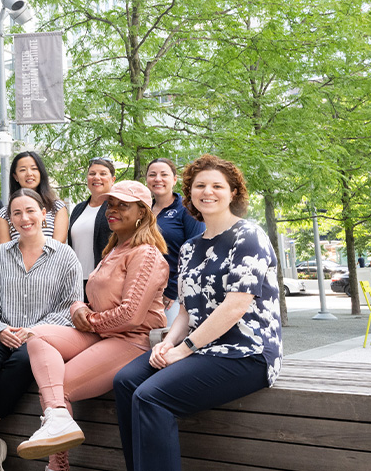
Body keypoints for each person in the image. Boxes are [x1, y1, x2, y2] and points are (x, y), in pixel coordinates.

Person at [113, 155, 282, 471]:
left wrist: (183, 350)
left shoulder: (249, 235)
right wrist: (168, 344)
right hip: (202, 347)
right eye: (200, 185)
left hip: (246, 352)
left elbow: (235, 307)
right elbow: (186, 312)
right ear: (189, 193)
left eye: (218, 186)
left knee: (150, 396)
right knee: (126, 380)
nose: (208, 191)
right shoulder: (190, 248)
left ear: (233, 193)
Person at [16, 181, 168, 470]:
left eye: (123, 205)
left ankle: (57, 465)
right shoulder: (114, 250)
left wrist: (91, 322)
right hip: (102, 335)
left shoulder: (146, 254)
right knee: (36, 335)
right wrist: (78, 308)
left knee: (61, 387)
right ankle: (58, 421)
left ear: (142, 213)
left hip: (131, 341)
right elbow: (94, 300)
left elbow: (131, 316)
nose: (113, 210)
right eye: (111, 204)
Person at [0, 188, 84, 471]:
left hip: (40, 338)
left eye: (30, 211)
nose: (24, 218)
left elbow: (69, 305)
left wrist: (33, 331)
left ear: (44, 214)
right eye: (16, 213)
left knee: (23, 361)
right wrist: (1, 329)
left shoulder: (65, 256)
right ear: (10, 219)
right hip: (0, 331)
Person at [146, 158, 205, 326]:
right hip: (145, 291)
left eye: (164, 174)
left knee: (167, 342)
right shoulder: (143, 211)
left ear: (174, 179)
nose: (158, 179)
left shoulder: (187, 209)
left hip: (174, 294)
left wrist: (172, 290)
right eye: (152, 175)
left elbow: (196, 253)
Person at [0, 151, 68, 245]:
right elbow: (3, 251)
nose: (29, 173)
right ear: (15, 176)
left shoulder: (57, 207)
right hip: (16, 259)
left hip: (52, 259)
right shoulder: (4, 213)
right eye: (22, 170)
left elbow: (59, 244)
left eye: (34, 169)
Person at [68, 158, 115, 280]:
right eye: (92, 174)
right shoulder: (78, 209)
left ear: (112, 180)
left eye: (103, 174)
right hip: (77, 279)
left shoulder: (117, 209)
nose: (97, 177)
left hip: (104, 280)